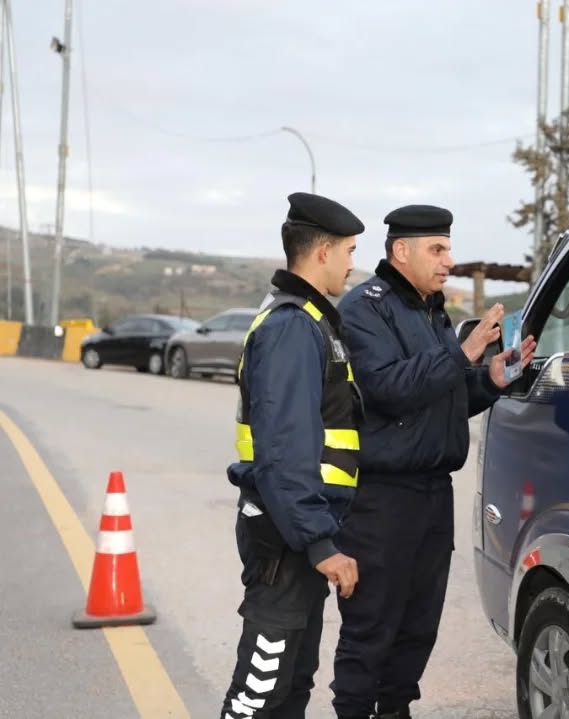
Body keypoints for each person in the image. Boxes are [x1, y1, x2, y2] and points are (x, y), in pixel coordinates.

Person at [331, 204, 536, 719]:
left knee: (418, 625)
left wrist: (491, 379)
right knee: (371, 625)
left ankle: (395, 709)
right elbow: (389, 389)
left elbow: (444, 398)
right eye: (437, 249)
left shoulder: (431, 310)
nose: (449, 260)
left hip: (432, 494)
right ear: (401, 251)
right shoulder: (364, 309)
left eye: (449, 248)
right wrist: (463, 353)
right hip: (382, 499)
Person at [221, 192, 364, 719]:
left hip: (296, 532)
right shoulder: (291, 327)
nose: (352, 264)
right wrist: (319, 542)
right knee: (260, 695)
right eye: (349, 251)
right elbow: (283, 450)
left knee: (290, 687)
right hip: (285, 537)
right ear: (323, 251)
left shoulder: (311, 321)